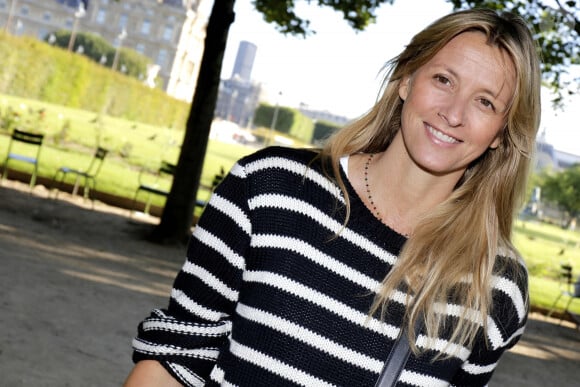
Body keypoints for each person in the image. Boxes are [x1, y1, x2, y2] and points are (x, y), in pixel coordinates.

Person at [125, 7, 541, 386]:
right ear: (405, 80)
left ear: (501, 134)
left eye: (485, 102)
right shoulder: (269, 189)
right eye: (443, 79)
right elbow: (173, 361)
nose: (453, 112)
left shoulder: (496, 285)